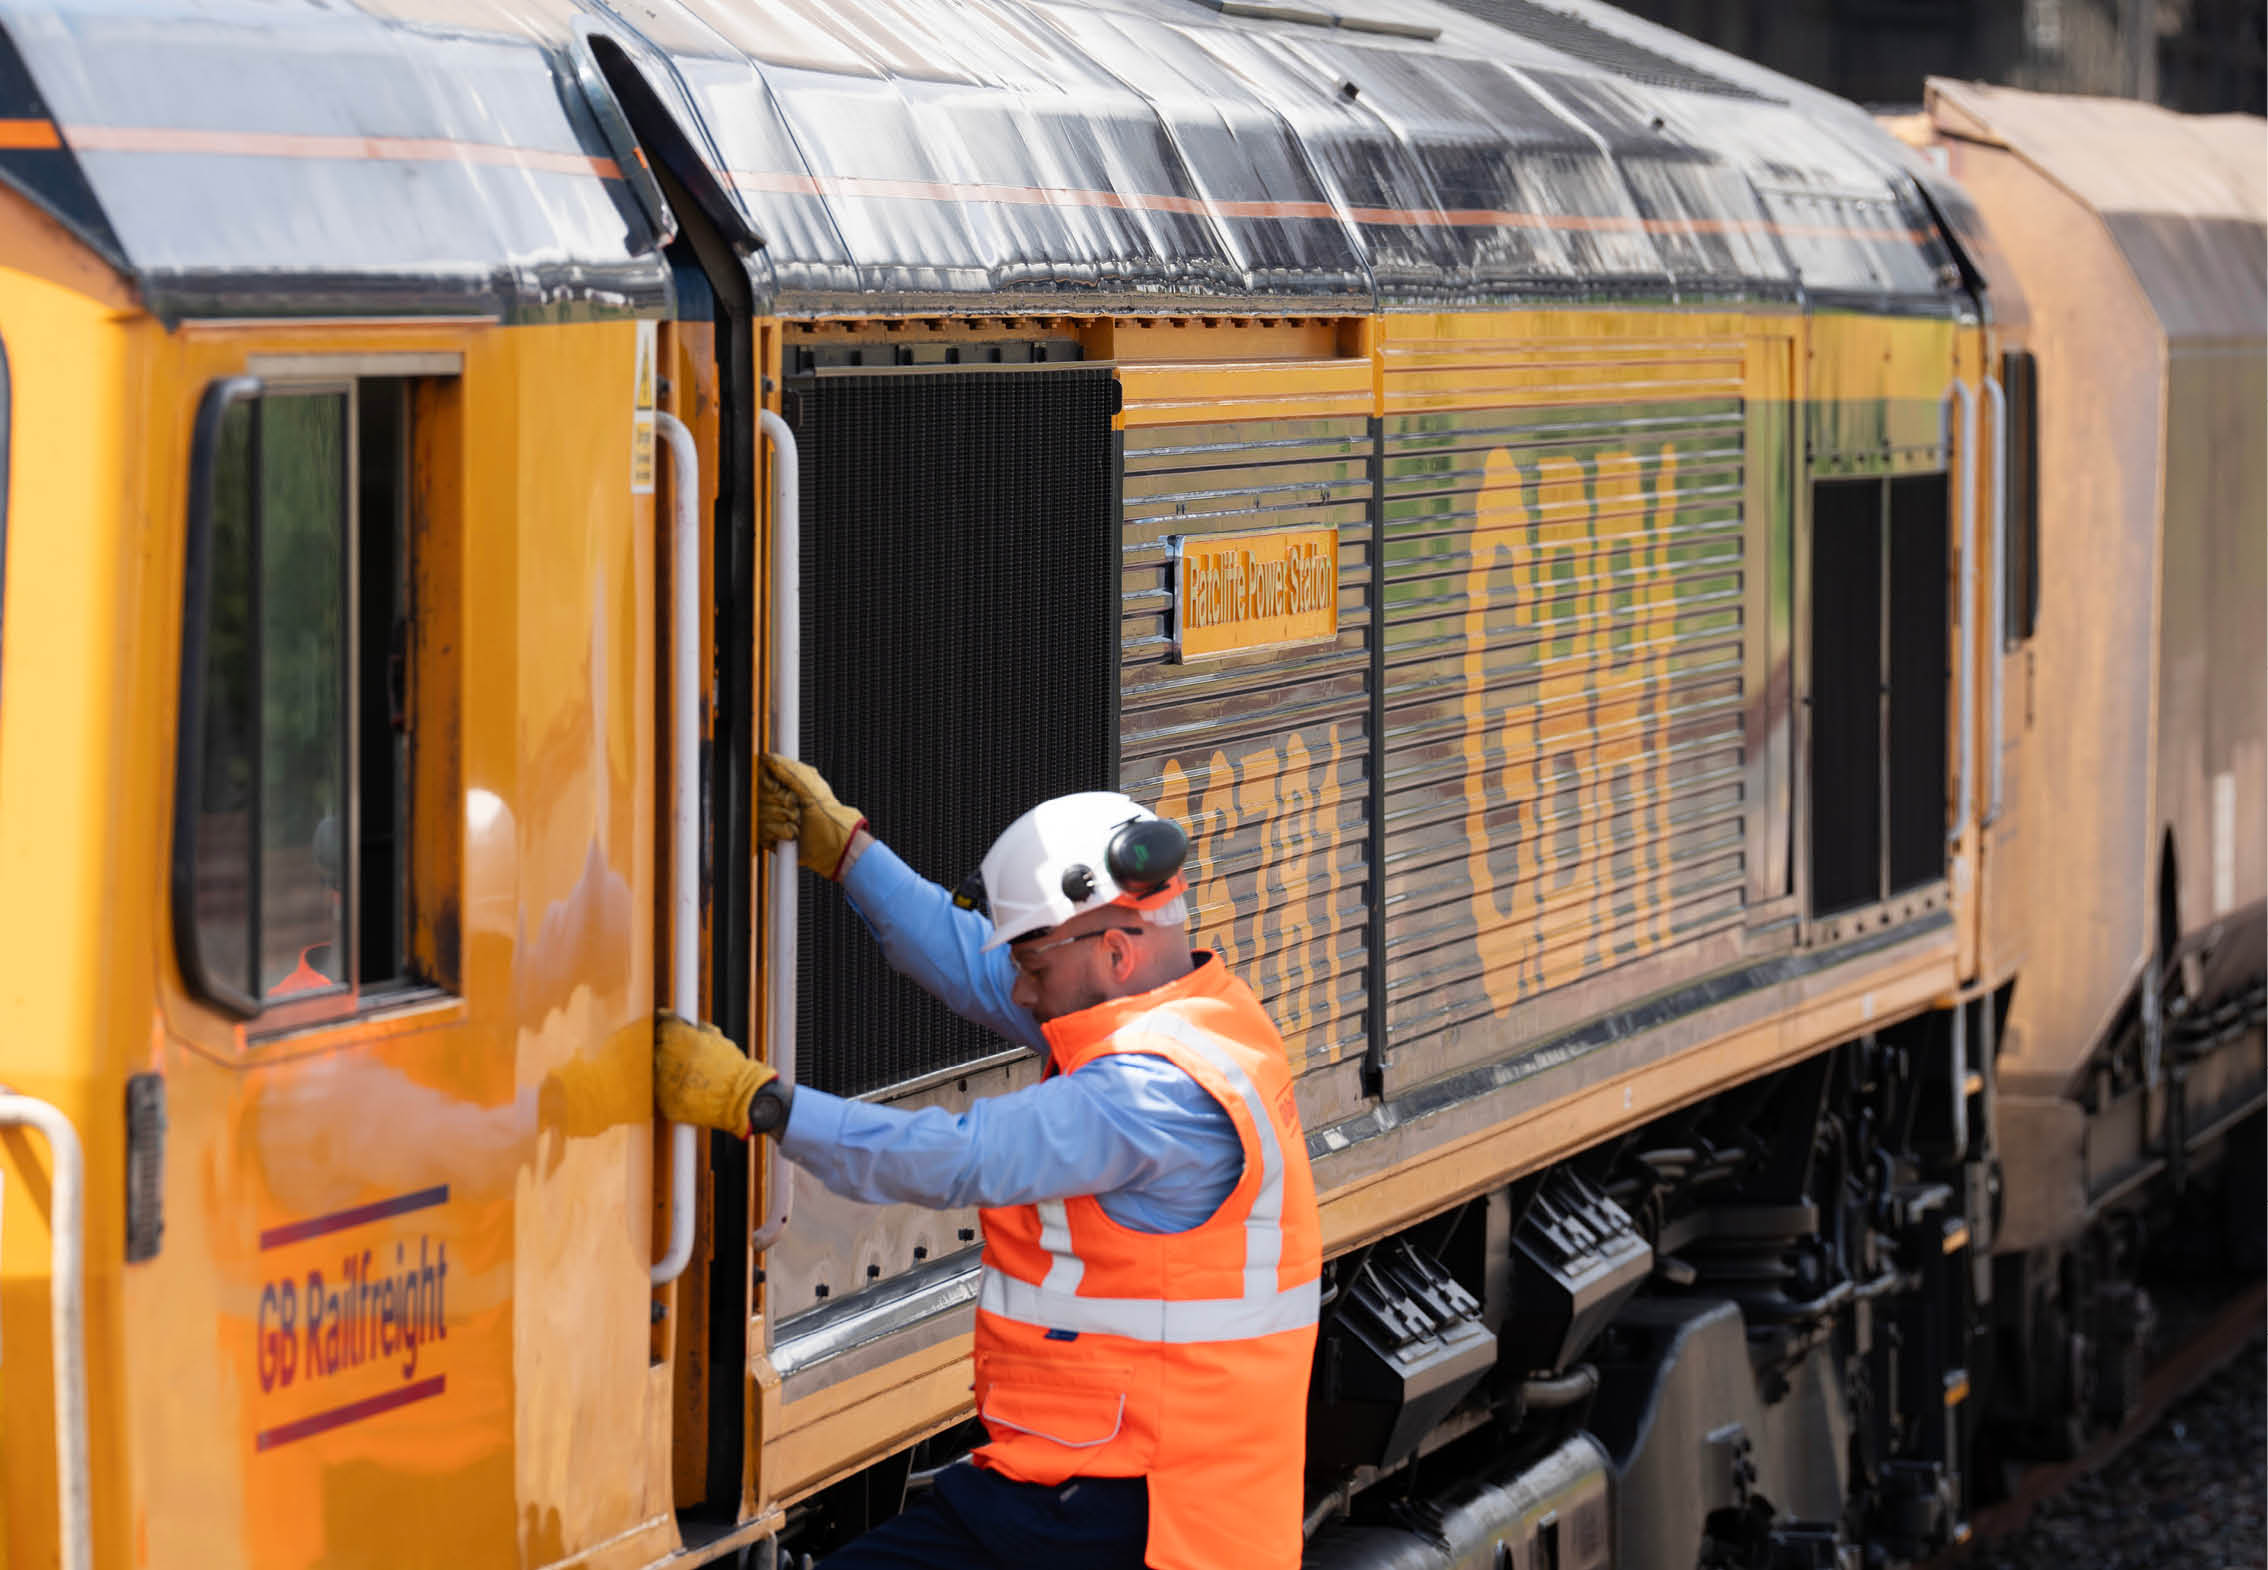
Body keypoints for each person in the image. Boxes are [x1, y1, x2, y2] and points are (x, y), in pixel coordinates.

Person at [655, 757, 1321, 1570]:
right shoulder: (1193, 1019)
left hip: (1132, 1510)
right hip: (1091, 1485)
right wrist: (849, 853)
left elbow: (958, 1159)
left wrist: (760, 1105)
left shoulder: (1152, 1097)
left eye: (1035, 970)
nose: (1024, 995)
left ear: (1115, 952)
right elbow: (972, 964)